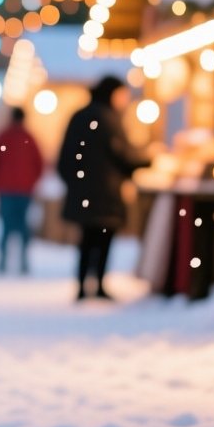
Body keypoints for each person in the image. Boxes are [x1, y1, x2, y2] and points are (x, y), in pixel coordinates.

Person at [56, 75, 142, 301]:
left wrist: (74, 183)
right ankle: (100, 284)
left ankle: (83, 286)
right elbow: (123, 156)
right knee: (103, 238)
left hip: (83, 192)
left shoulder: (79, 116)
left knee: (86, 240)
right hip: (107, 193)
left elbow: (65, 157)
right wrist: (147, 161)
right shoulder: (109, 119)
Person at [0, 106, 45, 275]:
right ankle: (24, 261)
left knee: (6, 226)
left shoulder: (3, 136)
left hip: (6, 188)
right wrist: (32, 181)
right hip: (25, 189)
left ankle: (2, 261)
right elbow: (39, 163)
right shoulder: (29, 138)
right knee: (23, 225)